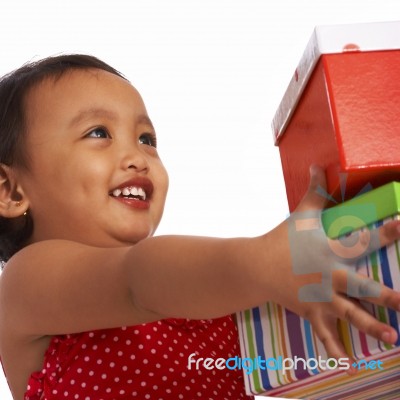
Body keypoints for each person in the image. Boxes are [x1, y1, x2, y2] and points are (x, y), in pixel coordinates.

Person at [0, 55, 399, 400]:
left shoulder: (212, 300)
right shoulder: (25, 283)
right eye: (98, 133)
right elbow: (137, 280)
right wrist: (265, 261)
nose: (138, 157)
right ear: (10, 191)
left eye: (146, 138)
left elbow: (293, 367)